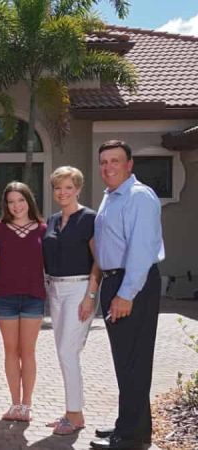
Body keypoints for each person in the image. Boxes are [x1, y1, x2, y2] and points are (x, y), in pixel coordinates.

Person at [90, 140, 165, 450]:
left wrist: (126, 293)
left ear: (129, 164)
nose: (108, 167)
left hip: (133, 284)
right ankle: (131, 426)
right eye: (104, 162)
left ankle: (131, 438)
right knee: (126, 361)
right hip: (115, 282)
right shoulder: (112, 197)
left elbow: (141, 250)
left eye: (115, 161)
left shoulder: (139, 197)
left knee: (134, 361)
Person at [42, 166, 101, 435]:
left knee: (68, 351)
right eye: (58, 187)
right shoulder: (53, 220)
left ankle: (75, 415)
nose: (62, 192)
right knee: (65, 353)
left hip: (79, 289)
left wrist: (90, 295)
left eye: (68, 187)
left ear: (78, 188)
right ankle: (71, 411)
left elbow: (99, 261)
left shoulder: (89, 218)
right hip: (55, 290)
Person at [0, 181, 46, 423]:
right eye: (11, 202)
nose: (16, 206)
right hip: (6, 297)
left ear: (28, 200)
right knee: (11, 351)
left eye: (20, 200)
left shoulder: (43, 229)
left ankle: (27, 404)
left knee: (28, 351)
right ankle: (15, 404)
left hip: (34, 297)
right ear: (6, 205)